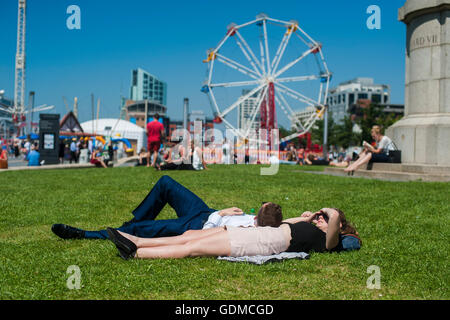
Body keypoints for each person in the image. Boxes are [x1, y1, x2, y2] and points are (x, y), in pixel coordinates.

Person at [51, 175, 281, 240]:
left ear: (261, 218)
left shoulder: (247, 232)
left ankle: (85, 235)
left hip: (197, 225)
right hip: (204, 211)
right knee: (166, 183)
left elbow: (207, 234)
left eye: (261, 207)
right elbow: (288, 224)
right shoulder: (268, 221)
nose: (258, 206)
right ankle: (132, 222)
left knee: (145, 230)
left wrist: (221, 213)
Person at [106, 207, 361, 260]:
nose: (320, 220)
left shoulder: (331, 242)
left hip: (266, 240)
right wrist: (310, 216)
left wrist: (333, 214)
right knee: (191, 236)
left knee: (192, 249)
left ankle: (137, 254)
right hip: (260, 233)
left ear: (338, 225)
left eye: (325, 219)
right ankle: (137, 241)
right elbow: (287, 222)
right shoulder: (313, 226)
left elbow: (333, 240)